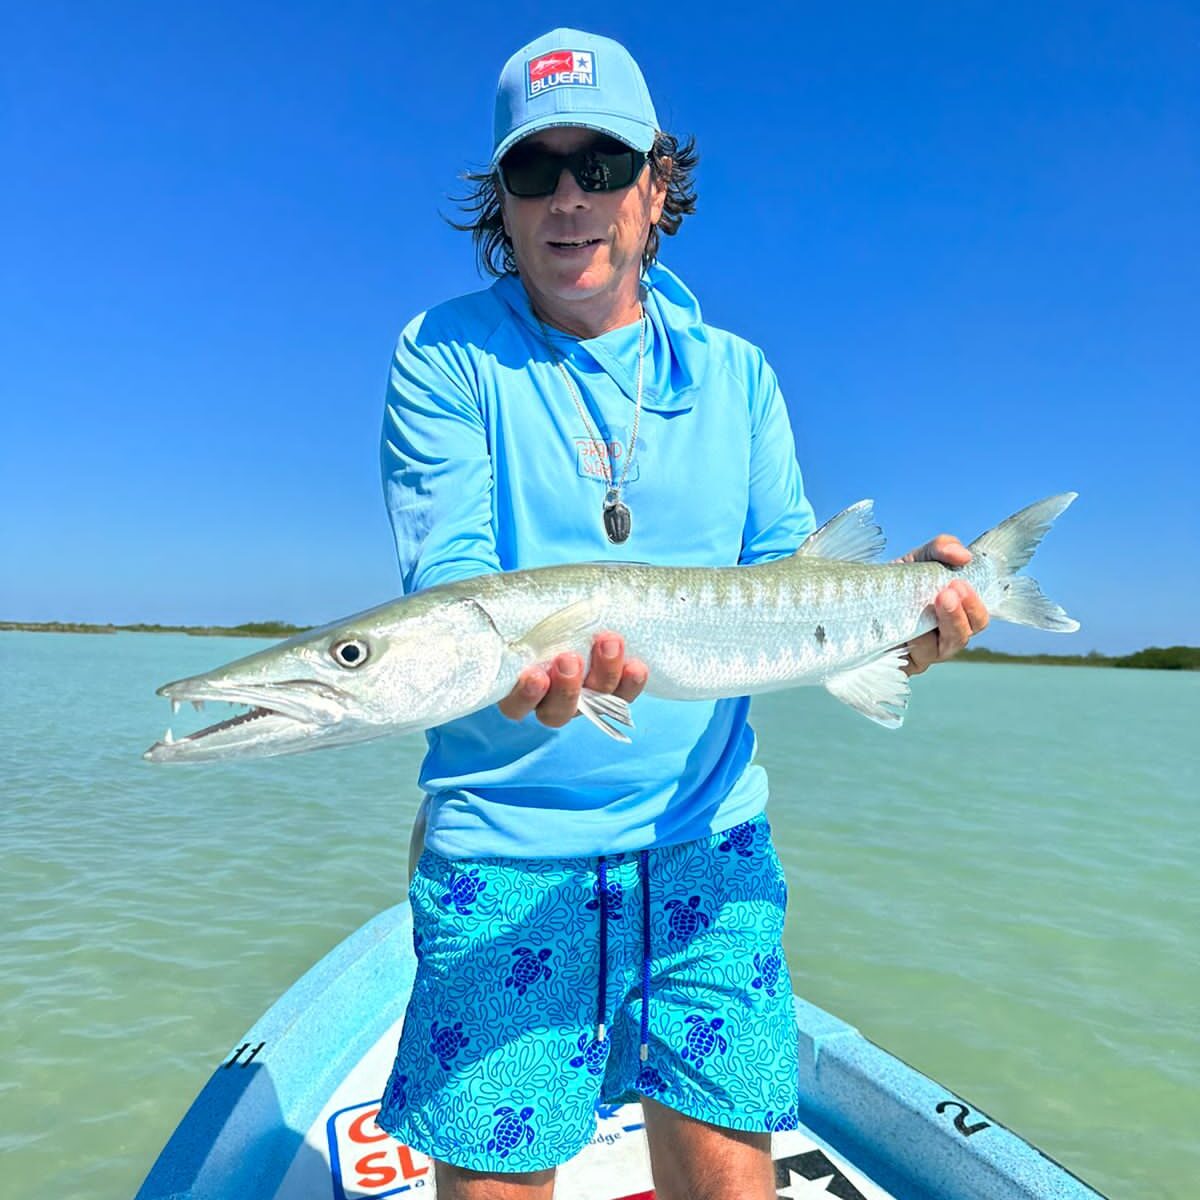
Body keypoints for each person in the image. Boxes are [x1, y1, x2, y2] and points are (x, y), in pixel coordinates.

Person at [375, 27, 988, 1200]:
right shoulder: (444, 358)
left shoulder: (740, 376)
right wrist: (524, 676)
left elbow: (784, 575)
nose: (569, 198)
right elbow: (454, 581)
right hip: (505, 856)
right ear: (497, 202)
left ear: (658, 186)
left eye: (600, 165)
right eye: (533, 170)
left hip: (710, 845)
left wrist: (901, 615)